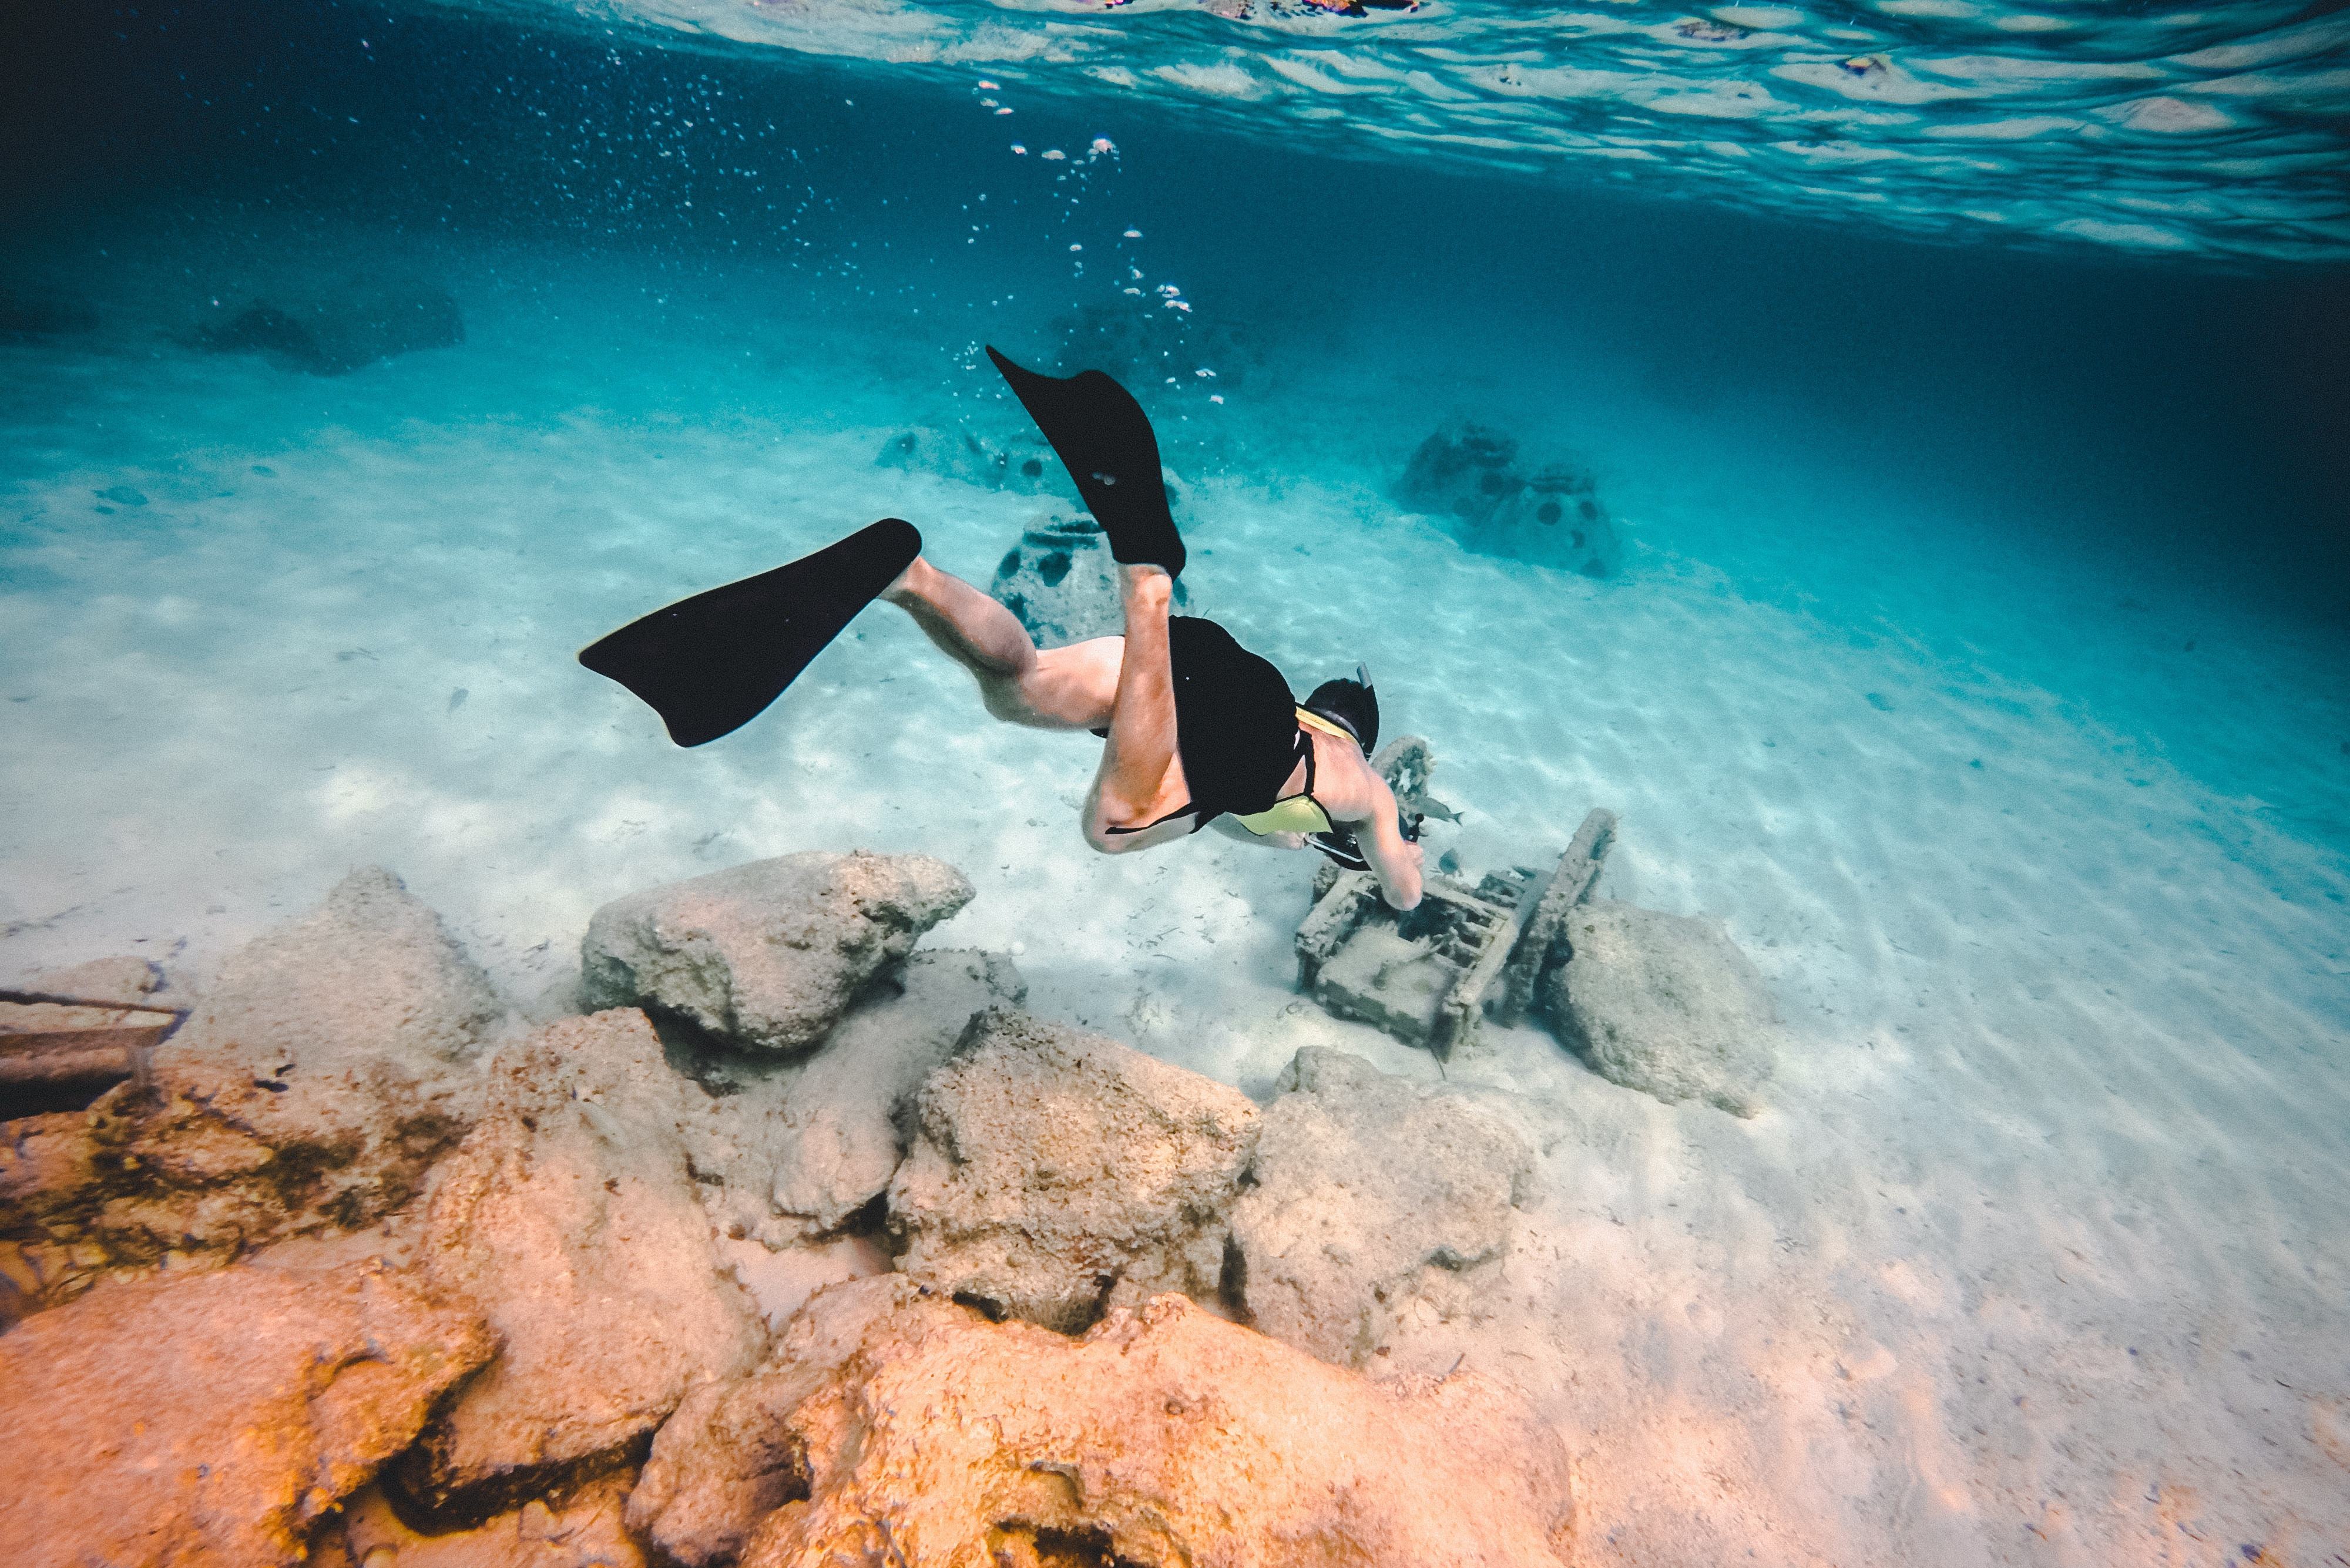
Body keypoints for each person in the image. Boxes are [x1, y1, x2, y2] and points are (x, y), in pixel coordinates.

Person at [578, 346, 1424, 912]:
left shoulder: (1316, 736)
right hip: (1242, 732)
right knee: (1112, 826)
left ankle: (908, 578)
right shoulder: (1362, 789)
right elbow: (1405, 890)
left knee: (1016, 694)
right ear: (1359, 735)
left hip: (1218, 667)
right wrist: (1398, 858)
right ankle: (1148, 582)